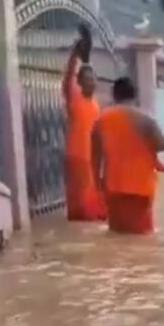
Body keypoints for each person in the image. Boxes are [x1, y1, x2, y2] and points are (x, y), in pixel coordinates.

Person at [91, 77, 164, 235]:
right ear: (135, 95)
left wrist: (97, 183)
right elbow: (162, 144)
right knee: (141, 239)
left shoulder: (101, 120)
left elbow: (95, 155)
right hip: (141, 188)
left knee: (116, 234)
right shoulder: (146, 119)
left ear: (114, 94)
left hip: (113, 186)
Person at [62, 26, 106, 221]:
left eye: (93, 80)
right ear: (79, 82)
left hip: (92, 158)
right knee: (78, 205)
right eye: (87, 80)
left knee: (90, 202)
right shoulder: (75, 97)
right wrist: (74, 55)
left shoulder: (96, 105)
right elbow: (68, 78)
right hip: (77, 156)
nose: (91, 83)